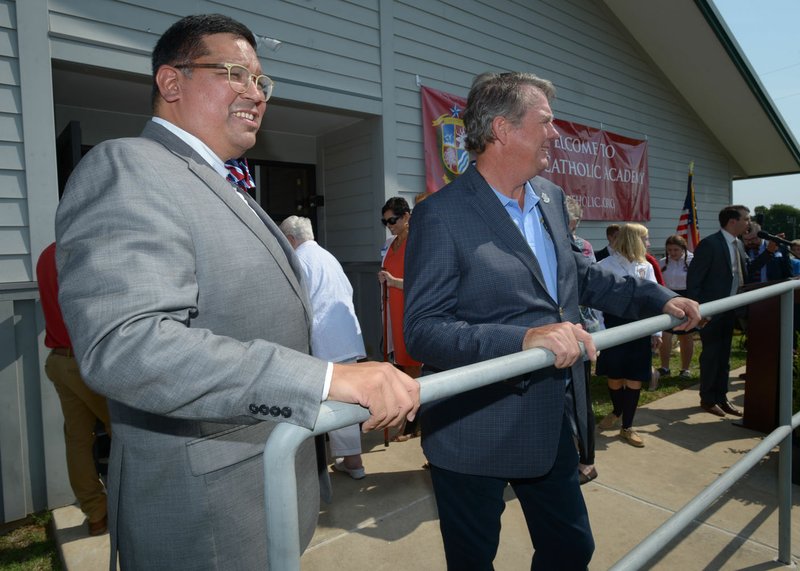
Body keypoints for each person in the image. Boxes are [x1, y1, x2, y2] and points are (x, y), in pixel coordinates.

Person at [54, 14, 419, 569]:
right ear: (171, 83)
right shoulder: (129, 166)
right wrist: (325, 378)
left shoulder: (227, 183)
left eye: (262, 82)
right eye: (235, 73)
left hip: (262, 489)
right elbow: (127, 346)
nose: (257, 93)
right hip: (204, 518)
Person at [403, 71, 701, 570]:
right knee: (474, 561)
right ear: (502, 129)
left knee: (571, 548)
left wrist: (659, 299)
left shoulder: (549, 198)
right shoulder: (441, 215)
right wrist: (523, 339)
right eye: (545, 121)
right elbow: (424, 329)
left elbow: (581, 277)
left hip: (548, 418)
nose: (555, 133)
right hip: (473, 428)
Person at [279, 215, 367, 480]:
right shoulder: (327, 256)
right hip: (346, 335)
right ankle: (352, 459)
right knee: (346, 397)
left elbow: (296, 305)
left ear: (291, 239)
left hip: (325, 339)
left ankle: (351, 460)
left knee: (335, 400)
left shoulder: (299, 260)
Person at [36, 242, 112, 537]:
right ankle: (129, 507)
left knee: (78, 440)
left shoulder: (45, 256)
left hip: (59, 360)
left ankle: (96, 515)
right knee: (125, 434)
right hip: (88, 361)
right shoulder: (82, 250)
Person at [595, 224, 661, 448]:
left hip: (639, 329)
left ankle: (627, 426)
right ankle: (616, 411)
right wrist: (602, 335)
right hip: (613, 329)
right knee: (615, 376)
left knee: (634, 378)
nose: (649, 243)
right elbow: (595, 305)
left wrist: (656, 330)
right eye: (646, 238)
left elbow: (654, 300)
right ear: (633, 240)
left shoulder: (647, 266)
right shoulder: (604, 266)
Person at [686, 205, 751, 417]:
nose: (748, 223)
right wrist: (700, 311)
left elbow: (744, 275)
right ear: (733, 221)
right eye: (746, 219)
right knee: (711, 356)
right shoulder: (710, 244)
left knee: (724, 357)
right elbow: (694, 281)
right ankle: (707, 399)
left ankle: (722, 398)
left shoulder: (739, 244)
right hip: (711, 312)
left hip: (731, 310)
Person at [378, 196, 422, 442]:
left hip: (411, 310)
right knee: (402, 366)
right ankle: (410, 418)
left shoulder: (418, 242)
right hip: (392, 310)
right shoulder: (390, 243)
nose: (389, 225)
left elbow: (423, 281)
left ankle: (414, 422)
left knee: (413, 365)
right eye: (385, 221)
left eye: (393, 220)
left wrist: (394, 282)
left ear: (406, 217)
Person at [565, 197, 598, 485]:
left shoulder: (580, 247)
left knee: (580, 401)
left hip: (579, 336)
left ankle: (587, 461)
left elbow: (589, 289)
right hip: (559, 339)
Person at [658, 235, 695, 379]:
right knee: (666, 334)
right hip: (668, 298)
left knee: (686, 335)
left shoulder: (693, 261)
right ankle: (664, 367)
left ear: (683, 249)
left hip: (687, 297)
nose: (672, 253)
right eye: (669, 250)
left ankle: (685, 369)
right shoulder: (662, 263)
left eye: (676, 250)